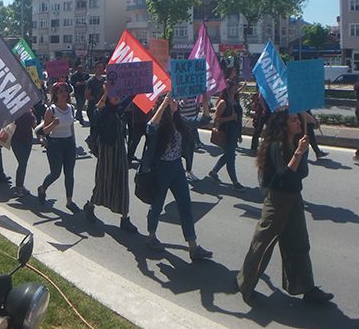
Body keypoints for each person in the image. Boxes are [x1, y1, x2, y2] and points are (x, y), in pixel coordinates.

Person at [236, 108, 334, 305]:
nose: (298, 122)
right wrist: (299, 153)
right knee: (262, 246)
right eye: (294, 120)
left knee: (299, 245)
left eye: (298, 119)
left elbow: (301, 174)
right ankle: (245, 285)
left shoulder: (297, 140)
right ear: (284, 125)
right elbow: (284, 175)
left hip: (294, 199)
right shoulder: (275, 145)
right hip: (277, 201)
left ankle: (307, 288)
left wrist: (303, 145)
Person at [145, 92, 212, 260]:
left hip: (176, 167)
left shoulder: (180, 120)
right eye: (172, 100)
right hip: (161, 168)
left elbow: (203, 120)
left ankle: (193, 247)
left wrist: (205, 102)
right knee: (157, 204)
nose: (176, 102)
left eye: (174, 100)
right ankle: (151, 236)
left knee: (185, 206)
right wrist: (163, 104)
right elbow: (150, 128)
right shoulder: (159, 122)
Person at [83, 83, 137, 232]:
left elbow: (129, 98)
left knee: (122, 182)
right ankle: (90, 206)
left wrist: (138, 85)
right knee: (103, 181)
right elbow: (96, 110)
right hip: (106, 152)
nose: (117, 98)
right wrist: (106, 92)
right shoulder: (103, 111)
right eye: (113, 96)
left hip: (119, 151)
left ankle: (125, 218)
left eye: (117, 95)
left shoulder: (118, 110)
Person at [37, 82, 79, 212]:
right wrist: (53, 124)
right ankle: (42, 189)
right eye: (60, 92)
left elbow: (71, 127)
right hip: (55, 144)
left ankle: (69, 201)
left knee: (69, 173)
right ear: (55, 94)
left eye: (65, 91)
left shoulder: (71, 108)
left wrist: (74, 142)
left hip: (69, 144)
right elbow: (44, 131)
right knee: (55, 173)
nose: (64, 94)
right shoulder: (51, 110)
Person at [208, 77, 245, 190]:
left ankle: (214, 171)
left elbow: (238, 119)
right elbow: (216, 119)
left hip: (234, 133)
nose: (236, 88)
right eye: (234, 86)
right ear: (229, 89)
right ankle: (235, 182)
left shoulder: (235, 100)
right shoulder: (223, 103)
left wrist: (239, 134)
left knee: (229, 154)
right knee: (230, 157)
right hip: (226, 133)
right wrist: (230, 118)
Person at [11, 108, 36, 197]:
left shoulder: (30, 111)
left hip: (28, 140)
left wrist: (40, 136)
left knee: (23, 164)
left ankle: (20, 185)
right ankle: (19, 187)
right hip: (16, 140)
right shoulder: (14, 111)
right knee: (22, 163)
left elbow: (34, 126)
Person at [85, 62, 106, 152]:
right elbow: (87, 95)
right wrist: (97, 98)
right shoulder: (91, 81)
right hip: (92, 108)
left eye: (102, 67)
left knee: (100, 126)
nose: (100, 69)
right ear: (95, 69)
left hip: (102, 108)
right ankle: (92, 142)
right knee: (94, 126)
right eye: (98, 67)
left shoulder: (104, 80)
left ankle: (96, 142)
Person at [250, 89, 269, 153]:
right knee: (258, 129)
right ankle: (254, 147)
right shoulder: (263, 87)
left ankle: (266, 147)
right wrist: (264, 108)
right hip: (262, 110)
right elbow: (260, 98)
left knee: (270, 129)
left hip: (268, 110)